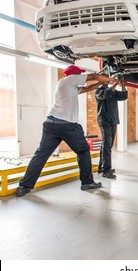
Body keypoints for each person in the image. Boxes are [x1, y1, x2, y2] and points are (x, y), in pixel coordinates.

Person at [16, 65, 115, 197]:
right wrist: (111, 79)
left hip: (51, 124)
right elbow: (94, 76)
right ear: (74, 75)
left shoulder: (68, 86)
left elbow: (88, 88)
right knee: (83, 150)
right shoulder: (69, 80)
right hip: (67, 125)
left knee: (41, 154)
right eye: (79, 74)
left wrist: (103, 82)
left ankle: (24, 186)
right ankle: (87, 182)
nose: (80, 76)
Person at [95, 74, 128, 179]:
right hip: (104, 121)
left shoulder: (113, 92)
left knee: (107, 145)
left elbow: (123, 96)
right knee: (107, 145)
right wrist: (115, 84)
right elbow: (106, 94)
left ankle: (102, 167)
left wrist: (122, 84)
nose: (108, 81)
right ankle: (106, 171)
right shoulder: (98, 91)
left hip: (113, 120)